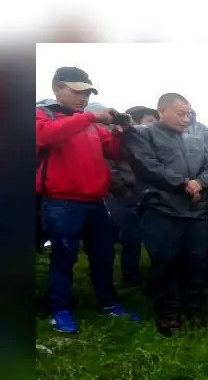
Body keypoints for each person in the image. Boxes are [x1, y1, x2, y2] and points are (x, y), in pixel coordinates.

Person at [35, 67, 140, 333]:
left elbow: (114, 151)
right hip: (61, 202)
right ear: (57, 89)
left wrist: (120, 131)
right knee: (63, 258)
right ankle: (60, 310)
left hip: (95, 202)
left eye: (87, 93)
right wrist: (92, 116)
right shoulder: (43, 115)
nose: (83, 97)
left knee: (103, 256)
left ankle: (108, 303)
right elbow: (45, 136)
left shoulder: (91, 125)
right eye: (77, 91)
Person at [125, 93, 208, 336]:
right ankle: (168, 312)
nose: (186, 119)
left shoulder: (196, 141)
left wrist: (199, 182)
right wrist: (183, 183)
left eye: (188, 113)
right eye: (180, 113)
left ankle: (195, 308)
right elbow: (148, 166)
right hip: (162, 210)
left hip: (196, 212)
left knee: (196, 262)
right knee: (165, 263)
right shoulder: (142, 135)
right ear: (161, 111)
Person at [104, 105, 156, 287]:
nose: (153, 125)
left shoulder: (149, 142)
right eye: (150, 121)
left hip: (145, 193)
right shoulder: (118, 139)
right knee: (130, 235)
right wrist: (120, 189)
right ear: (136, 121)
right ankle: (131, 275)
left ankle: (152, 272)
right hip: (122, 193)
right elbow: (109, 166)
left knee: (149, 233)